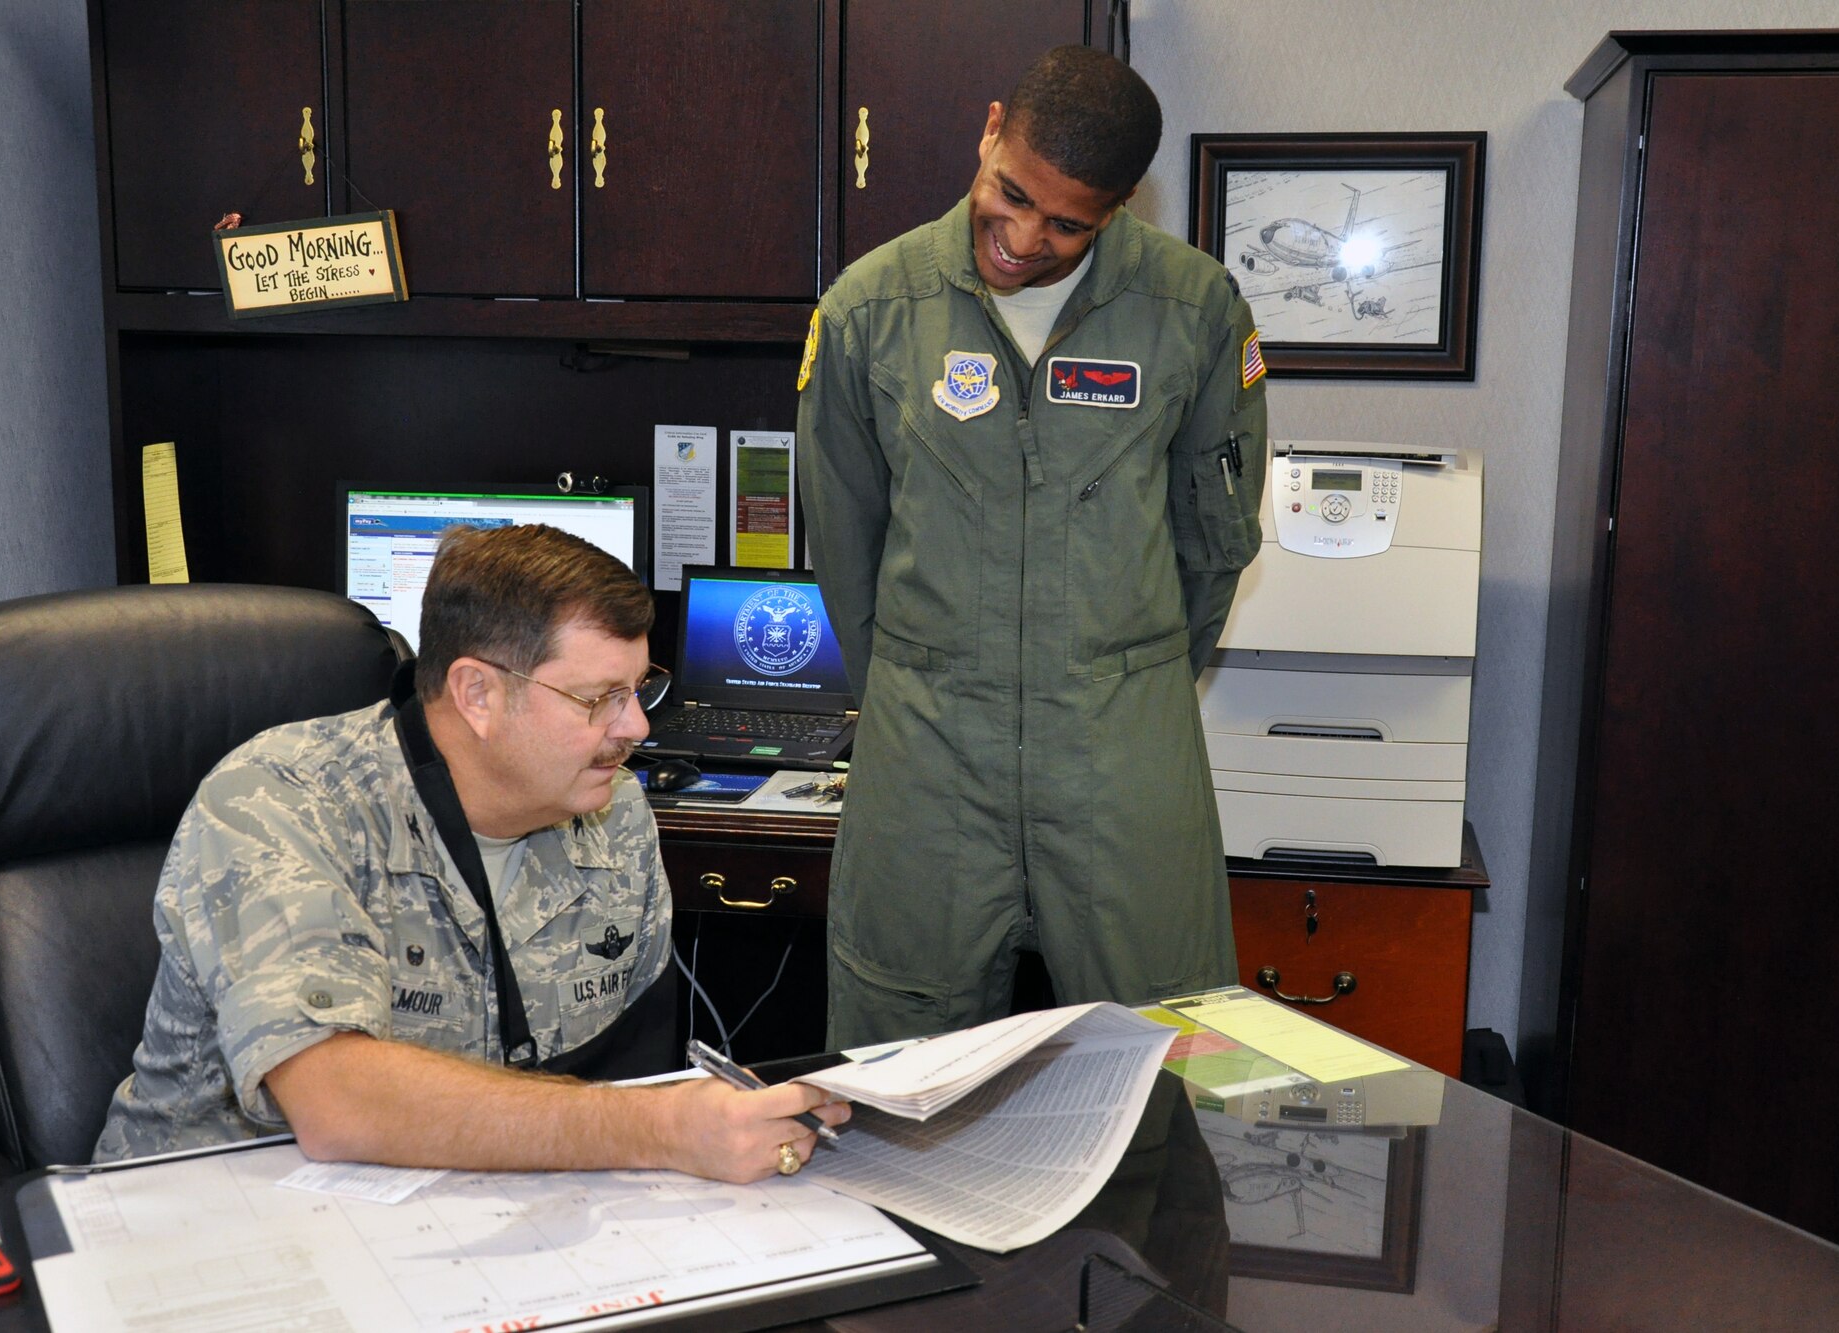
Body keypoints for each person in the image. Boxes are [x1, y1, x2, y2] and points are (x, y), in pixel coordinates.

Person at [94, 524, 846, 1182]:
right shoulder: (283, 802)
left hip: (476, 1217)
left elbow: (628, 1078)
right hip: (216, 1223)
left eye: (638, 688)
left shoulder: (614, 817)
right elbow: (336, 1101)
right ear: (477, 694)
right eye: (598, 699)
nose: (636, 730)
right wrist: (664, 1130)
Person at [795, 46, 1269, 1048]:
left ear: (1119, 205)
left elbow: (1211, 548)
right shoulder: (868, 310)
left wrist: (1120, 678)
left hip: (1119, 747)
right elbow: (844, 545)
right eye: (1008, 193)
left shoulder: (1192, 311)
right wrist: (918, 686)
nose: (1021, 237)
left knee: (1163, 1043)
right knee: (897, 1052)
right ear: (990, 128)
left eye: (1064, 223)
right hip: (924, 747)